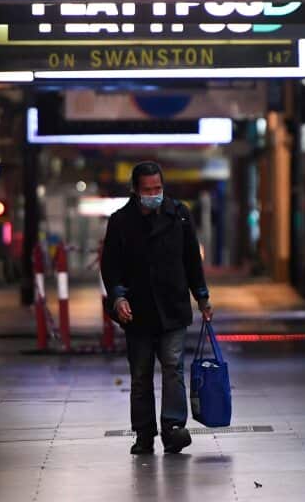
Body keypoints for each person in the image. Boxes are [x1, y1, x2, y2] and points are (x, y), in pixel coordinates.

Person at [101, 160, 212, 455]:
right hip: (138, 311)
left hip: (173, 307)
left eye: (158, 188)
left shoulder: (180, 216)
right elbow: (111, 267)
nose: (154, 193)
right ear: (136, 191)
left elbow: (192, 261)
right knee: (140, 375)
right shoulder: (121, 221)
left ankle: (173, 428)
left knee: (173, 368)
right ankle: (144, 434)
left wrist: (202, 297)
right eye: (148, 189)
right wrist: (118, 298)